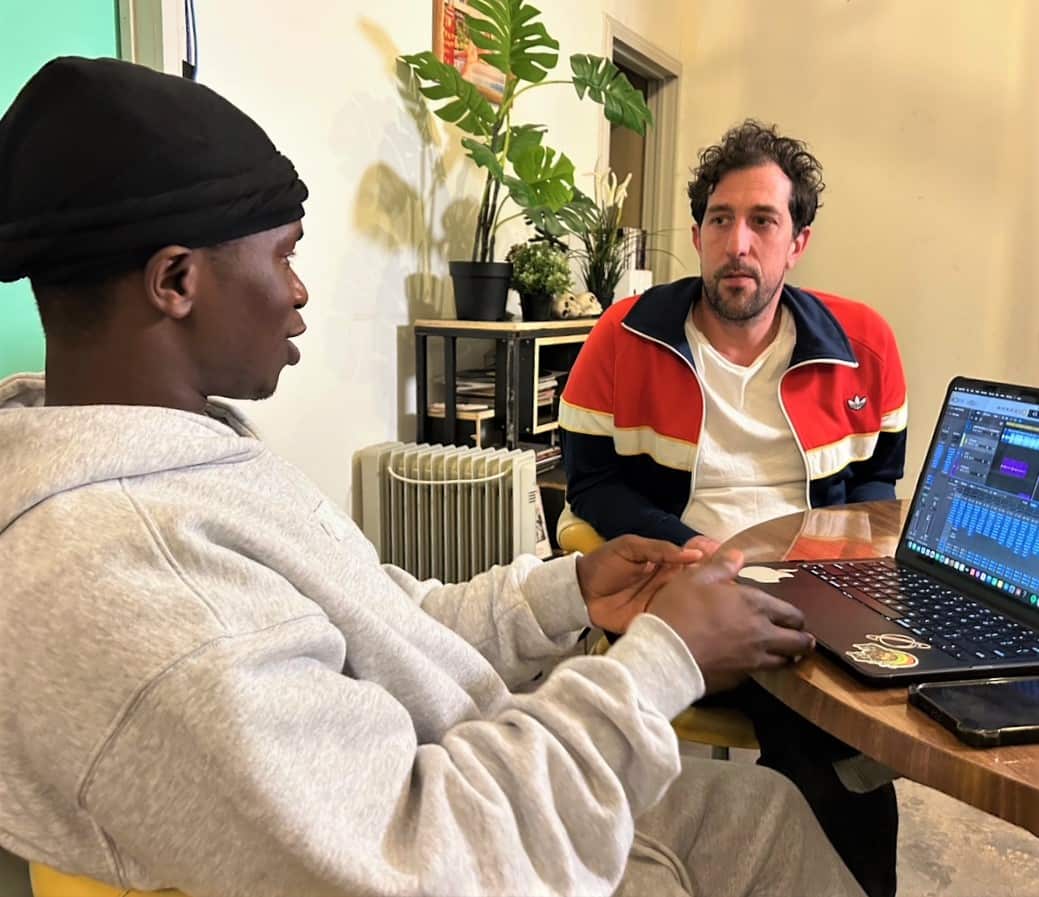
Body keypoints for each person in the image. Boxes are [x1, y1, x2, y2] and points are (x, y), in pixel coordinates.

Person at [0, 58, 866, 897]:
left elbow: (384, 619)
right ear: (177, 280)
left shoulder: (183, 453)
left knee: (765, 813)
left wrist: (568, 594)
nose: (299, 292)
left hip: (470, 765)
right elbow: (431, 854)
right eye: (283, 256)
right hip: (475, 835)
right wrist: (665, 658)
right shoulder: (141, 590)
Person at [559, 120, 908, 897]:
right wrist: (698, 548)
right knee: (827, 734)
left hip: (817, 583)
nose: (737, 243)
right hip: (683, 579)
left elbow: (880, 481)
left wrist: (838, 567)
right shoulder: (626, 334)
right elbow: (591, 486)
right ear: (696, 233)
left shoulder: (863, 344)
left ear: (798, 242)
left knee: (888, 696)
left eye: (762, 222)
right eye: (720, 220)